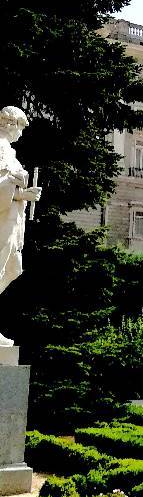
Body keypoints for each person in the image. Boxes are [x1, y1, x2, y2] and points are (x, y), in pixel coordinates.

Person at [0, 105, 43, 346]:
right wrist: (17, 191)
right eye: (21, 128)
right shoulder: (0, 149)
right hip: (1, 220)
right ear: (11, 124)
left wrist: (24, 194)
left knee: (13, 268)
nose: (22, 134)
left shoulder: (9, 152)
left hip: (10, 219)